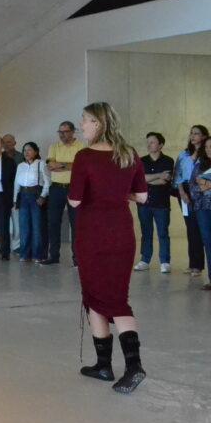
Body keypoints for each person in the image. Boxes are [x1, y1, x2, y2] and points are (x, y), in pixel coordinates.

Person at [69, 102, 148, 394]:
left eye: (85, 120)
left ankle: (133, 366)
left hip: (93, 235)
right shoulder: (129, 154)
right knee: (114, 296)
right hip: (122, 234)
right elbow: (142, 196)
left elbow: (75, 201)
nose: (82, 125)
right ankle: (104, 365)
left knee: (98, 296)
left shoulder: (84, 157)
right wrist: (117, 194)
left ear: (98, 124)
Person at [44, 121, 86, 265]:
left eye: (65, 132)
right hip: (56, 188)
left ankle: (77, 258)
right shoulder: (54, 146)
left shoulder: (81, 147)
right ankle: (53, 256)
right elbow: (50, 165)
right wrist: (68, 166)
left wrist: (60, 165)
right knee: (53, 223)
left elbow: (80, 167)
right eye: (60, 132)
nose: (62, 135)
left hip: (74, 188)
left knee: (76, 224)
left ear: (73, 132)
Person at [133, 132, 173, 274]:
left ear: (160, 145)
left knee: (163, 233)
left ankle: (165, 261)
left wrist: (147, 179)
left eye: (152, 142)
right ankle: (145, 260)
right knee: (146, 232)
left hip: (161, 203)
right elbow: (139, 180)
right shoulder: (141, 161)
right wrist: (158, 175)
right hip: (144, 202)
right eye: (148, 142)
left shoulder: (168, 161)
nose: (148, 145)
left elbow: (164, 181)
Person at [174, 125, 209, 277]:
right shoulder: (184, 153)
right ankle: (194, 264)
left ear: (204, 136)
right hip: (185, 191)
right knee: (191, 228)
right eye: (191, 133)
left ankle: (199, 266)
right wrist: (182, 193)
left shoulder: (206, 154)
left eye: (197, 133)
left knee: (202, 229)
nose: (193, 136)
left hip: (202, 192)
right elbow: (177, 175)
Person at [13, 142, 49, 263]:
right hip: (23, 196)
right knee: (24, 226)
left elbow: (48, 182)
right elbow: (16, 184)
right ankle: (25, 254)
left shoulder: (41, 164)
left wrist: (43, 196)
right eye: (24, 150)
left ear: (36, 151)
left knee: (37, 226)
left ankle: (38, 254)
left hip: (36, 195)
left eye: (29, 150)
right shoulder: (20, 166)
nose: (26, 152)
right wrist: (15, 199)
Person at [188, 136, 211, 291]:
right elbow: (192, 187)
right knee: (208, 243)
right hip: (203, 209)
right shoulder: (199, 165)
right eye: (207, 147)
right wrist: (203, 186)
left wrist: (205, 183)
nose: (209, 149)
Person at [2, 134, 24, 254]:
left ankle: (16, 246)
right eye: (4, 142)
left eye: (9, 142)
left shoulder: (21, 157)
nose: (6, 145)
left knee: (17, 222)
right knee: (2, 222)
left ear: (14, 143)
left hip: (17, 193)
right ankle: (3, 246)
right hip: (3, 194)